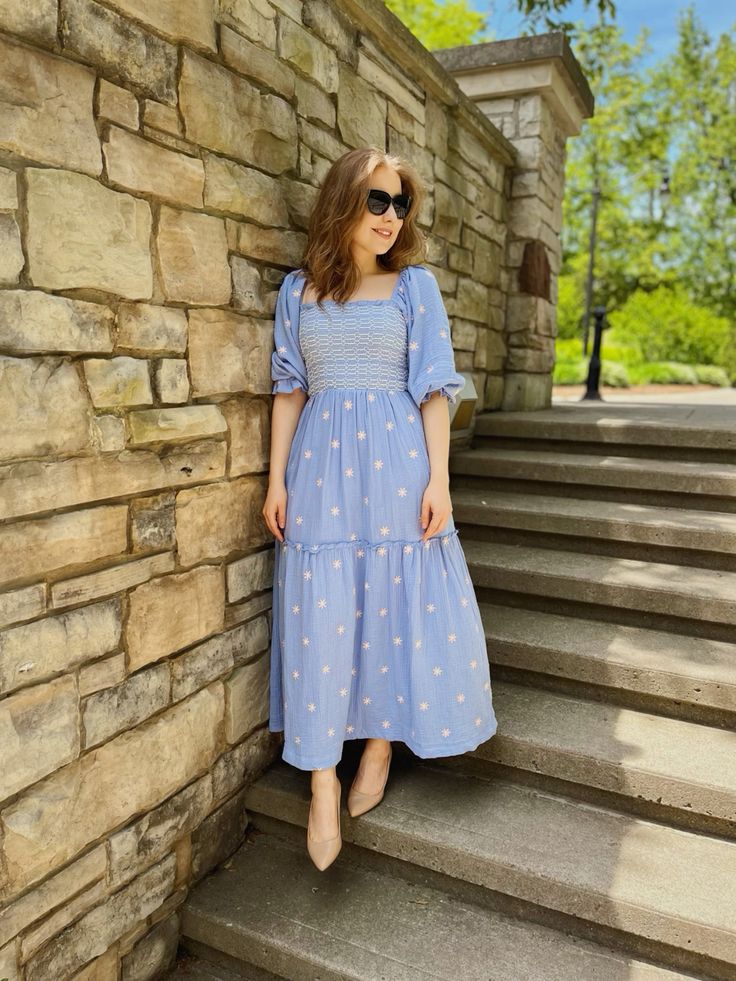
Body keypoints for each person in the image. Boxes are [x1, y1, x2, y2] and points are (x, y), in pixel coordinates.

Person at [262, 146, 498, 871]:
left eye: (401, 204)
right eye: (378, 201)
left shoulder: (414, 288)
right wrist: (275, 483)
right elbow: (289, 388)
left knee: (392, 603)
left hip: (399, 466)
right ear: (344, 201)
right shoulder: (298, 291)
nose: (392, 217)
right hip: (321, 468)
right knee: (319, 612)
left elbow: (434, 389)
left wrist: (440, 480)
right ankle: (323, 779)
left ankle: (378, 747)